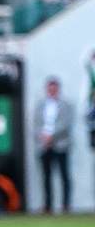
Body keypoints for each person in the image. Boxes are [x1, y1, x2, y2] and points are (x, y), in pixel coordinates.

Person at [34, 77, 74, 214]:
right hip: (44, 145)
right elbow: (36, 124)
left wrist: (53, 136)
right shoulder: (40, 106)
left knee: (64, 175)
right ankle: (47, 205)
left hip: (60, 145)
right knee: (46, 176)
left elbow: (66, 124)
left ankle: (66, 205)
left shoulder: (65, 105)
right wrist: (43, 137)